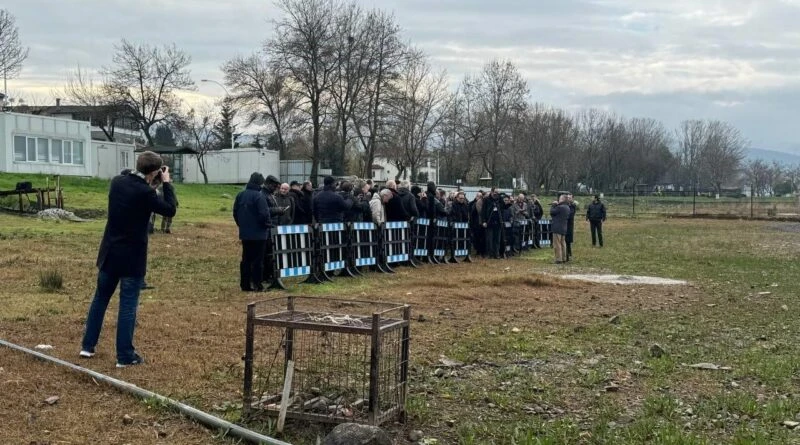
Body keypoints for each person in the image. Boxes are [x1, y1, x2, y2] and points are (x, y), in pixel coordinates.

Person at [80, 151, 177, 368]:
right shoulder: (146, 193)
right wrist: (167, 184)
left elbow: (133, 186)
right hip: (132, 257)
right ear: (155, 172)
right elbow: (169, 209)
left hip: (109, 253)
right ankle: (124, 355)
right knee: (127, 306)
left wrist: (151, 183)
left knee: (100, 300)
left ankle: (87, 346)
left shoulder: (117, 183)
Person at [234, 173, 271, 292]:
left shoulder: (240, 195)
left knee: (246, 259)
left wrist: (242, 225)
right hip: (259, 234)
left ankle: (244, 284)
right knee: (258, 260)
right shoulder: (259, 197)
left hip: (245, 233)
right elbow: (264, 214)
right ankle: (257, 284)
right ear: (260, 183)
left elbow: (235, 212)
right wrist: (266, 225)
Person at [481, 188, 503, 259]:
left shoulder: (499, 199)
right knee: (489, 239)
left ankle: (496, 253)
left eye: (497, 192)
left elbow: (503, 207)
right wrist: (484, 221)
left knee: (497, 239)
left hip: (498, 221)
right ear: (491, 192)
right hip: (489, 221)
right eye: (495, 192)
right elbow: (483, 211)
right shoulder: (487, 200)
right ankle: (489, 253)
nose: (496, 194)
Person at [550, 195, 570, 264]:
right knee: (563, 243)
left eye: (560, 198)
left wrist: (553, 205)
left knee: (557, 244)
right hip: (564, 227)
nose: (558, 199)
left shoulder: (560, 207)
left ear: (563, 199)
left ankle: (558, 259)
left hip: (557, 227)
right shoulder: (567, 207)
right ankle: (564, 258)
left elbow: (552, 212)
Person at [565, 194, 577, 261]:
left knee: (568, 240)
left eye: (570, 198)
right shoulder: (565, 205)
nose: (568, 199)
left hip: (569, 224)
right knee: (565, 240)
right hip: (564, 224)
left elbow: (570, 214)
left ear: (572, 199)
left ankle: (569, 253)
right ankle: (567, 252)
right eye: (567, 197)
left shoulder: (573, 206)